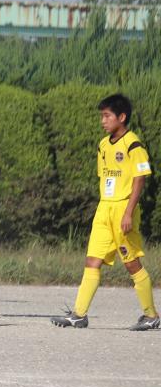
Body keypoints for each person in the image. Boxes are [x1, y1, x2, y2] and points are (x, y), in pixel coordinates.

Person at [52, 94, 158, 330]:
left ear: (122, 117)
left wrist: (129, 212)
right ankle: (79, 314)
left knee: (131, 263)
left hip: (123, 208)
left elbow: (140, 179)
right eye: (102, 116)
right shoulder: (102, 145)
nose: (103, 121)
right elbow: (105, 176)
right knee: (92, 260)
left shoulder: (133, 144)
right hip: (104, 208)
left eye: (107, 116)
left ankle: (151, 315)